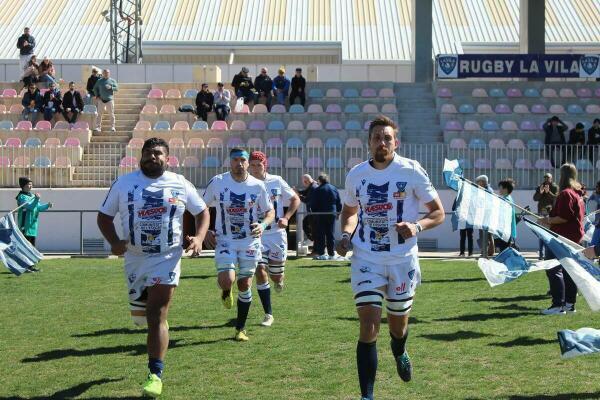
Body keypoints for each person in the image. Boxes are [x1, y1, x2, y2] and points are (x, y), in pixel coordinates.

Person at [336, 115, 445, 400]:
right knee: (369, 324)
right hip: (366, 258)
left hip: (402, 259)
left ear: (396, 142)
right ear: (369, 143)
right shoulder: (357, 174)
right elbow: (349, 213)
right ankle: (367, 396)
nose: (382, 142)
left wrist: (417, 226)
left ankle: (399, 351)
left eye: (387, 137)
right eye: (376, 138)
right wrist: (346, 236)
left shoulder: (411, 171)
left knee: (398, 327)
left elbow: (438, 212)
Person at [97, 137, 210, 397]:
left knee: (156, 315)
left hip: (167, 257)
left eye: (158, 153)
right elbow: (104, 216)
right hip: (135, 258)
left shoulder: (179, 183)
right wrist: (114, 242)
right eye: (147, 153)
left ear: (167, 159)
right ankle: (153, 325)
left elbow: (202, 211)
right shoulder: (124, 183)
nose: (152, 157)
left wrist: (200, 237)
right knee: (142, 319)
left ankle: (155, 374)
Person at [203, 148, 274, 342]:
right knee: (227, 279)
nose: (239, 163)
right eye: (235, 160)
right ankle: (226, 291)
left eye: (243, 160)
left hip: (249, 240)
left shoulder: (258, 186)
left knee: (244, 283)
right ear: (230, 162)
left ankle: (240, 328)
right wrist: (206, 230)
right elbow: (202, 207)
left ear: (248, 163)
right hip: (225, 239)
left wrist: (263, 224)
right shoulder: (218, 182)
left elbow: (270, 212)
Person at [248, 151, 300, 326]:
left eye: (259, 165)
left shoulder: (276, 181)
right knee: (260, 270)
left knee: (276, 277)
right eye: (252, 165)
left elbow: (295, 199)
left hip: (276, 234)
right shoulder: (245, 184)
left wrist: (286, 217)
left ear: (265, 165)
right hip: (257, 234)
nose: (255, 169)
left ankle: (278, 278)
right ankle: (268, 314)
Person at [538, 163, 585, 315]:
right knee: (569, 271)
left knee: (553, 268)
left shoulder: (565, 193)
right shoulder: (577, 193)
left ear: (562, 175)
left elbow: (563, 217)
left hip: (562, 237)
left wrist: (547, 220)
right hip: (573, 237)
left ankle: (558, 305)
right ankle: (570, 305)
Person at [16, 177, 52, 257]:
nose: (30, 186)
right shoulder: (21, 197)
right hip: (25, 225)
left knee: (32, 247)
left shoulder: (32, 196)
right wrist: (36, 199)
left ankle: (31, 265)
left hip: (33, 225)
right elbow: (30, 207)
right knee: (26, 247)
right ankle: (26, 265)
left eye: (31, 184)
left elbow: (38, 208)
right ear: (23, 186)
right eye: (29, 184)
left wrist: (47, 205)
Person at [308, 174, 342, 260]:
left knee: (321, 234)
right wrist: (338, 213)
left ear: (319, 181)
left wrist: (314, 213)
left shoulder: (318, 189)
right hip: (332, 213)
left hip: (321, 214)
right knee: (330, 234)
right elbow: (338, 202)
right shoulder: (334, 188)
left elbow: (313, 203)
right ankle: (331, 254)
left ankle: (321, 253)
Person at [533, 173, 558, 259]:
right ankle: (541, 253)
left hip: (550, 213)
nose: (546, 179)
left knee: (549, 233)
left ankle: (549, 252)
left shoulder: (555, 187)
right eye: (545, 178)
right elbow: (535, 198)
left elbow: (556, 199)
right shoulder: (541, 186)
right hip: (541, 213)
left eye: (548, 178)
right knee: (541, 233)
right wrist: (540, 192)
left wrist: (548, 192)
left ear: (551, 178)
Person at [494, 179, 517, 253]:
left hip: (505, 231)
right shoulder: (506, 198)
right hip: (505, 230)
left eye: (500, 187)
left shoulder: (507, 200)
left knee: (504, 252)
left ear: (505, 189)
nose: (499, 190)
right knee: (503, 251)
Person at [475, 175, 495, 256]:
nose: (477, 184)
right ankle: (488, 251)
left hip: (485, 215)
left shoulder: (486, 190)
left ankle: (485, 252)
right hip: (486, 215)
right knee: (489, 235)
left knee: (485, 235)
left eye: (478, 182)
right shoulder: (489, 190)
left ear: (482, 182)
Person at [296, 174, 318, 242]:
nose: (304, 184)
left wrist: (298, 196)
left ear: (306, 181)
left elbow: (307, 200)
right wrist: (297, 191)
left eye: (304, 182)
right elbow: (305, 192)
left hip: (314, 212)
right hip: (313, 212)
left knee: (312, 228)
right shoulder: (312, 185)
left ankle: (314, 241)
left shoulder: (313, 187)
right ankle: (314, 240)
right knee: (308, 225)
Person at [588, 181, 600, 250]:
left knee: (593, 248)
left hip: (598, 227)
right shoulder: (595, 196)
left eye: (597, 187)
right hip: (597, 226)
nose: (596, 188)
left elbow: (590, 210)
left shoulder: (596, 197)